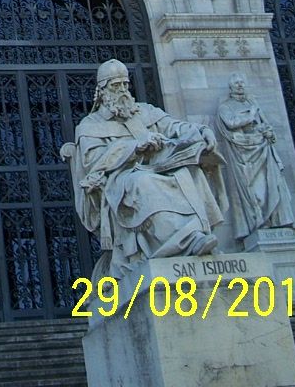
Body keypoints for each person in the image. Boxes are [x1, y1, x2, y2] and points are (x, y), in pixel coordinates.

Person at [64, 60, 226, 277]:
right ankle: (185, 240)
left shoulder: (145, 112)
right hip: (120, 180)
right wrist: (134, 147)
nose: (122, 90)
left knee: (187, 173)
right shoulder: (89, 126)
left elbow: (175, 126)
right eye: (115, 86)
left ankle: (196, 235)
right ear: (101, 91)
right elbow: (93, 164)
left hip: (160, 168)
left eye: (124, 84)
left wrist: (200, 131)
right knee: (143, 182)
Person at [216, 74, 295, 241]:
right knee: (256, 189)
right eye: (237, 83)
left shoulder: (252, 103)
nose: (240, 85)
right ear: (231, 87)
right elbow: (231, 123)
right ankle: (260, 221)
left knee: (273, 183)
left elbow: (264, 123)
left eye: (241, 82)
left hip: (263, 148)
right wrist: (251, 115)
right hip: (245, 155)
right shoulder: (226, 106)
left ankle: (278, 220)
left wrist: (268, 132)